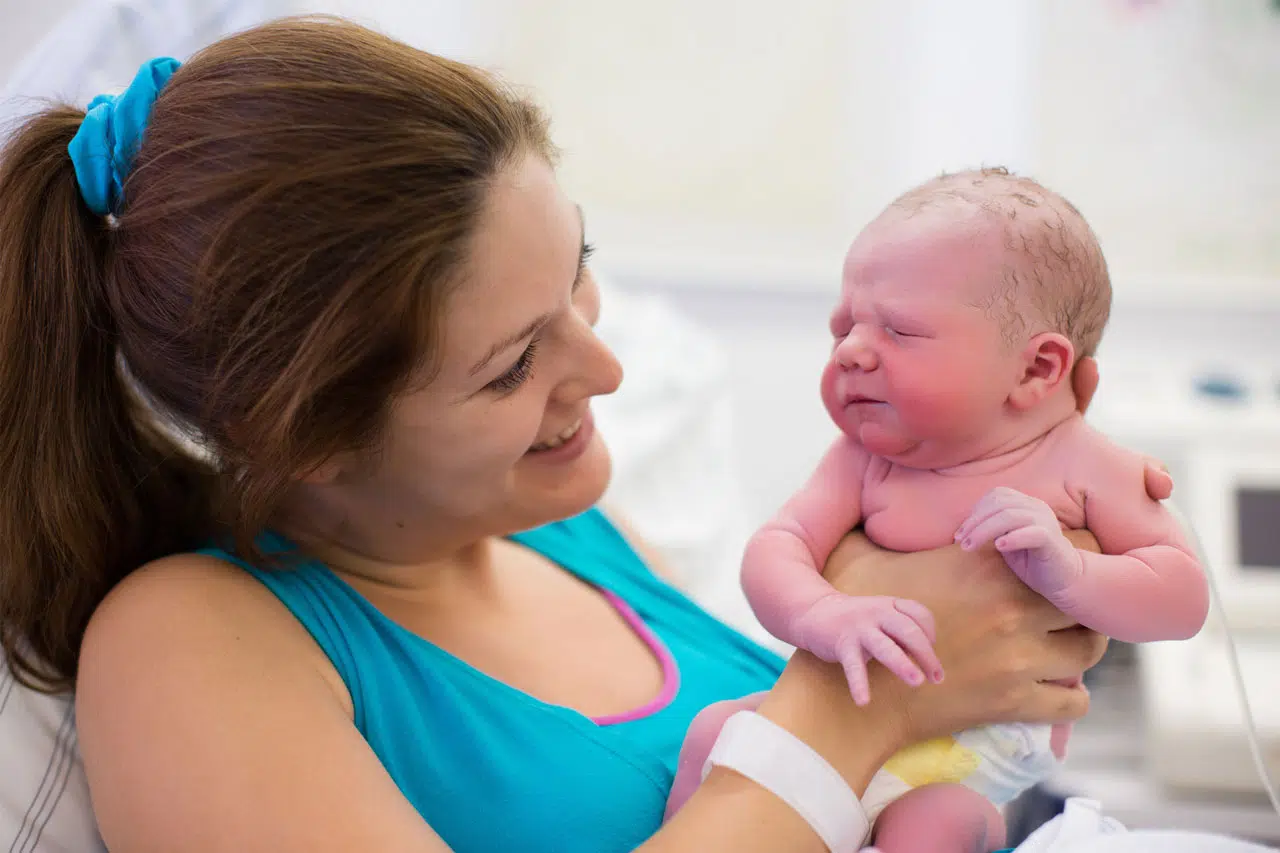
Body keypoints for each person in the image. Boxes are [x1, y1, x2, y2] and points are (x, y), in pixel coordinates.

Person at [0, 17, 1167, 853]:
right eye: (514, 362)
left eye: (578, 272)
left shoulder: (566, 526)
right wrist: (854, 705)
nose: (602, 368)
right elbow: (836, 733)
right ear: (304, 434)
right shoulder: (183, 646)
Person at [663, 170, 1210, 852]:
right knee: (715, 729)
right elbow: (780, 545)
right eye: (844, 328)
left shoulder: (1087, 463)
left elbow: (1183, 596)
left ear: (1038, 369)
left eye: (898, 329)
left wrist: (1071, 574)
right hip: (844, 717)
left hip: (972, 755)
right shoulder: (861, 458)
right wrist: (820, 612)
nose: (853, 350)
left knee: (935, 822)